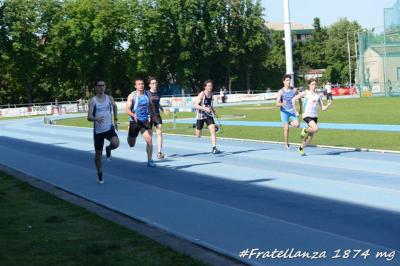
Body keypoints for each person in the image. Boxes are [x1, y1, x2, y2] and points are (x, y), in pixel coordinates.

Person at [87, 80, 120, 184]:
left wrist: (115, 119)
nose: (101, 88)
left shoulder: (109, 98)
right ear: (96, 88)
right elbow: (89, 117)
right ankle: (100, 175)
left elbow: (115, 107)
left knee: (116, 143)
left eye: (103, 86)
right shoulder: (92, 101)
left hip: (109, 128)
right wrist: (96, 119)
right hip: (98, 131)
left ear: (105, 87)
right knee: (98, 156)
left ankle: (108, 148)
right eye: (99, 86)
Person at [292, 78, 331, 156]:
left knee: (310, 137)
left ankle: (301, 148)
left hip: (314, 116)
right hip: (307, 115)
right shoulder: (306, 93)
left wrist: (328, 105)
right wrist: (295, 110)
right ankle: (305, 130)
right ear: (309, 85)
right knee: (316, 128)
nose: (314, 85)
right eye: (312, 84)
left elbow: (322, 108)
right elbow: (293, 99)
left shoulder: (317, 95)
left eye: (315, 84)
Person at [126, 78, 156, 167]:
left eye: (142, 84)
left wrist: (152, 115)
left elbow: (151, 105)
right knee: (131, 144)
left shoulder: (147, 94)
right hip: (134, 122)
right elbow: (127, 109)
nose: (141, 85)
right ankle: (129, 135)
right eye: (139, 84)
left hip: (144, 121)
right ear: (135, 86)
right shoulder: (132, 95)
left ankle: (150, 161)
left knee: (149, 140)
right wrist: (133, 115)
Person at [194, 79, 220, 154]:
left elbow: (210, 105)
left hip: (208, 115)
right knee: (198, 135)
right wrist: (204, 108)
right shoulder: (202, 94)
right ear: (205, 87)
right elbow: (196, 105)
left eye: (211, 86)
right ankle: (196, 126)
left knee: (213, 129)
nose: (210, 87)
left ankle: (214, 147)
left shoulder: (211, 94)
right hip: (200, 115)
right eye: (208, 86)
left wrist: (213, 111)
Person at [276, 74, 300, 149]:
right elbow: (277, 104)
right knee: (286, 128)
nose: (289, 82)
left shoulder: (294, 90)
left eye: (289, 80)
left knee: (297, 125)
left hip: (292, 111)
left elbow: (299, 97)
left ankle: (288, 122)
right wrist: (282, 103)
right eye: (287, 80)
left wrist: (300, 109)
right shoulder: (281, 91)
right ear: (283, 82)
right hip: (284, 112)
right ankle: (286, 144)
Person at [148, 76, 167, 159]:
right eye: (153, 83)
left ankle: (159, 152)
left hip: (156, 115)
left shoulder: (159, 93)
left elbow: (157, 103)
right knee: (149, 135)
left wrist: (163, 110)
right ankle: (149, 151)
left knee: (159, 131)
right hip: (148, 115)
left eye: (156, 83)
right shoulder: (146, 93)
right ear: (149, 85)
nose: (155, 85)